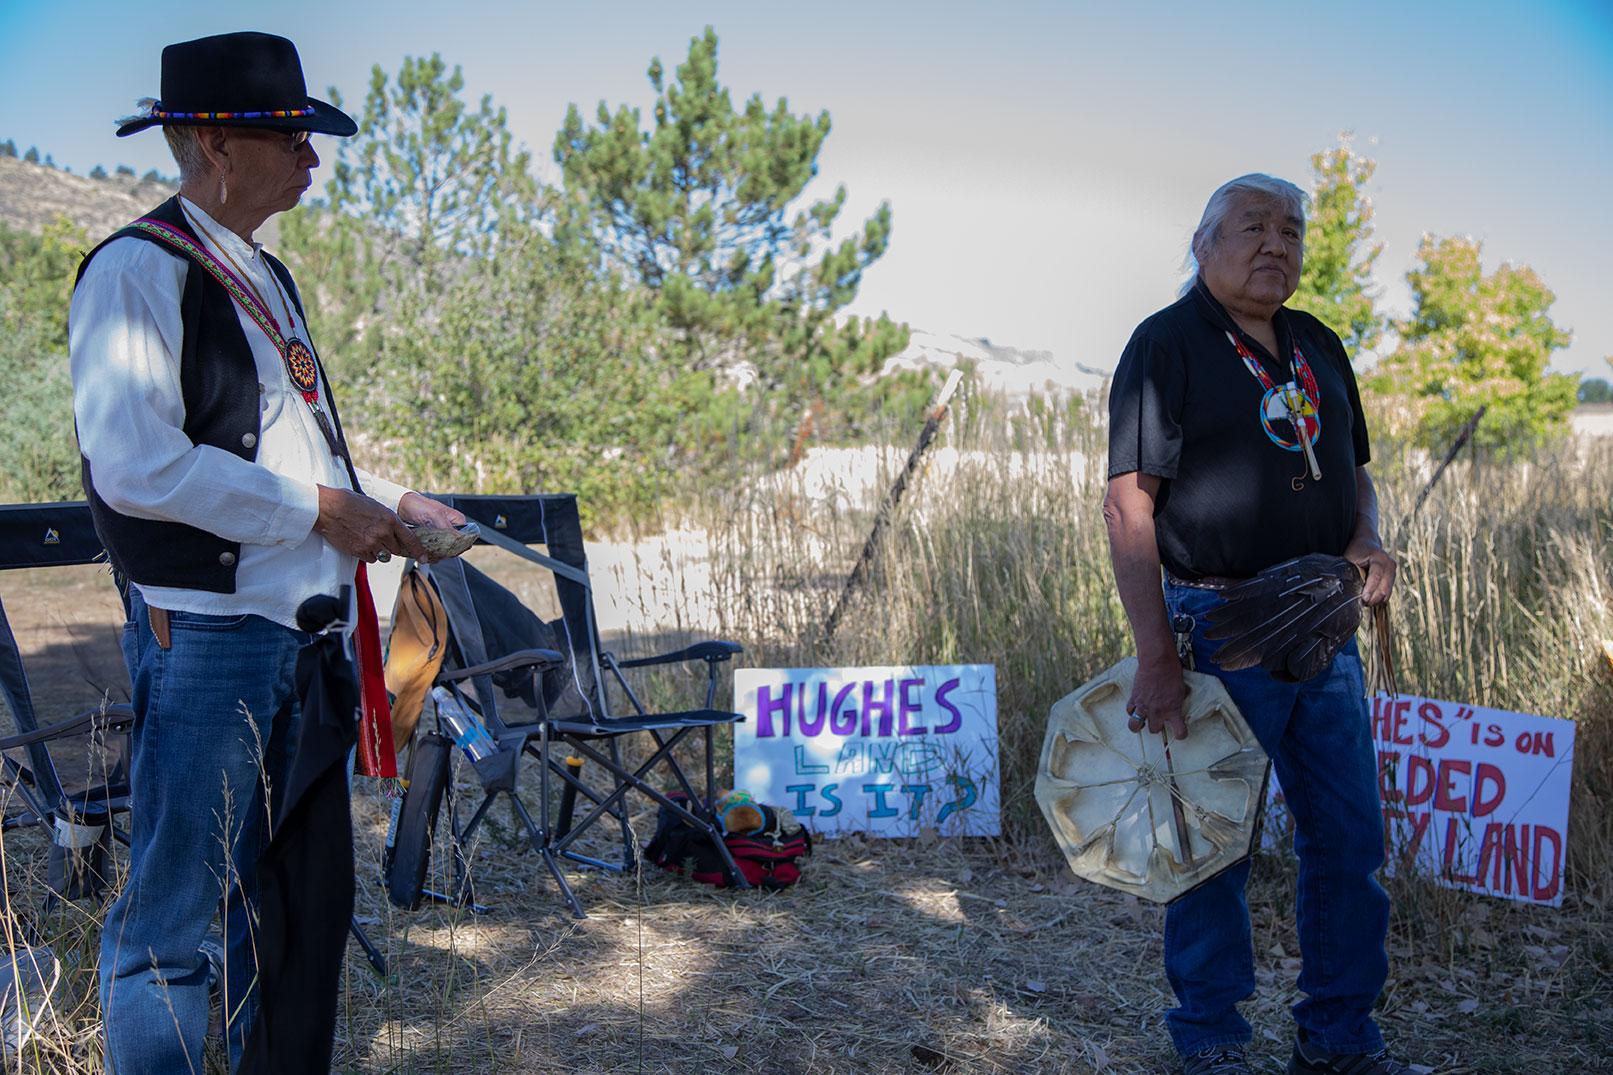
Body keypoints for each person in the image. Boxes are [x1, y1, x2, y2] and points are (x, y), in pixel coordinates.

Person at [69, 31, 463, 1072]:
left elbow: (298, 457)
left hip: (300, 642)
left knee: (294, 913)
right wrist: (321, 511)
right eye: (288, 137)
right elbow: (137, 467)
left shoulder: (263, 276)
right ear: (210, 144)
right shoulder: (134, 272)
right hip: (211, 641)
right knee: (174, 922)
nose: (311, 159)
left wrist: (384, 501)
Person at [1103, 174, 1409, 1075]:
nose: (1276, 244)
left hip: (1325, 621)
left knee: (1349, 842)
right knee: (1211, 845)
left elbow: (1354, 469)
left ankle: (1339, 1037)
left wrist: (1366, 538)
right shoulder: (1166, 344)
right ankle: (1209, 1041)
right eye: (1252, 228)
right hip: (1219, 625)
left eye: (1291, 230)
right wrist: (1155, 652)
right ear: (1204, 244)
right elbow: (1129, 507)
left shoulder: (1318, 342)